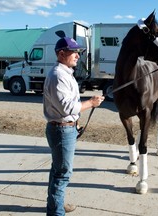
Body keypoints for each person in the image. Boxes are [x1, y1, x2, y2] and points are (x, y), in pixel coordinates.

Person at [43, 36, 104, 215]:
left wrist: (75, 122)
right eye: (74, 52)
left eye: (79, 52)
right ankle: (56, 212)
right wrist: (92, 103)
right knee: (62, 174)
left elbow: (69, 106)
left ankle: (56, 205)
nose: (78, 56)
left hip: (64, 128)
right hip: (61, 130)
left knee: (58, 171)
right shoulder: (58, 76)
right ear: (62, 53)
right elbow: (68, 107)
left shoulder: (64, 73)